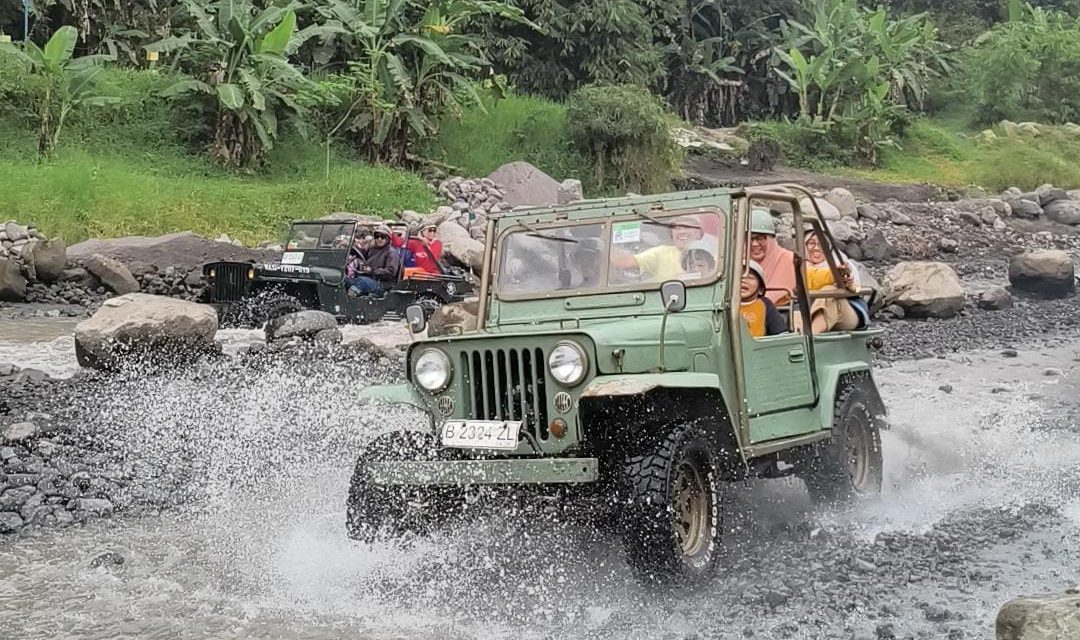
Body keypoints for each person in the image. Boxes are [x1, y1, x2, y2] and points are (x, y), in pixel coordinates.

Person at [804, 229, 870, 331]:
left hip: (845, 314)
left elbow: (857, 289)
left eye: (822, 244)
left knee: (828, 291)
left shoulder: (842, 264)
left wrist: (849, 285)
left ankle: (810, 338)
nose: (816, 248)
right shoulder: (798, 266)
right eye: (811, 243)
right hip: (808, 313)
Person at [610, 215, 704, 282]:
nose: (682, 232)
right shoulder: (662, 253)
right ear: (671, 234)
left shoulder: (712, 253)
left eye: (687, 227)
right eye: (677, 228)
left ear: (698, 233)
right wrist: (606, 242)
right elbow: (625, 262)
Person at [749, 208, 797, 306]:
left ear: (771, 239)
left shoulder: (788, 259)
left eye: (760, 238)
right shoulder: (738, 262)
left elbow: (812, 275)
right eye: (750, 238)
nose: (754, 244)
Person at [346, 225, 400, 296]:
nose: (379, 239)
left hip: (382, 284)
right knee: (343, 279)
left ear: (387, 238)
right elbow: (362, 254)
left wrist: (372, 270)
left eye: (382, 236)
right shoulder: (373, 249)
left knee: (362, 281)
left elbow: (391, 271)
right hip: (368, 278)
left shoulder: (391, 252)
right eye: (377, 236)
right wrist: (349, 248)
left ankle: (348, 301)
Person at [740, 260, 787, 338]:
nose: (743, 280)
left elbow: (781, 334)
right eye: (738, 276)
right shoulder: (722, 303)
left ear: (760, 290)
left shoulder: (765, 304)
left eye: (750, 277)